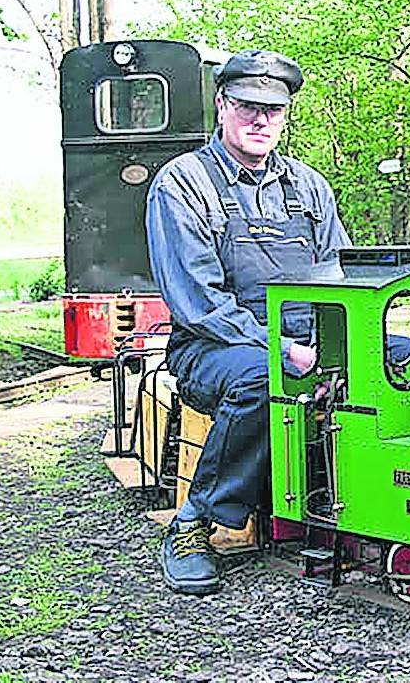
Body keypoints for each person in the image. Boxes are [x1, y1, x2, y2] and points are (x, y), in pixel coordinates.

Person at [145, 50, 351, 595]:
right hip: (213, 345)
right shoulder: (183, 184)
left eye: (273, 110)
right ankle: (194, 523)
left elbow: (344, 275)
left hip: (310, 340)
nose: (260, 120)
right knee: (263, 378)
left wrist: (349, 344)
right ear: (221, 106)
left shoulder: (309, 186)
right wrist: (283, 348)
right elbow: (199, 302)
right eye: (247, 107)